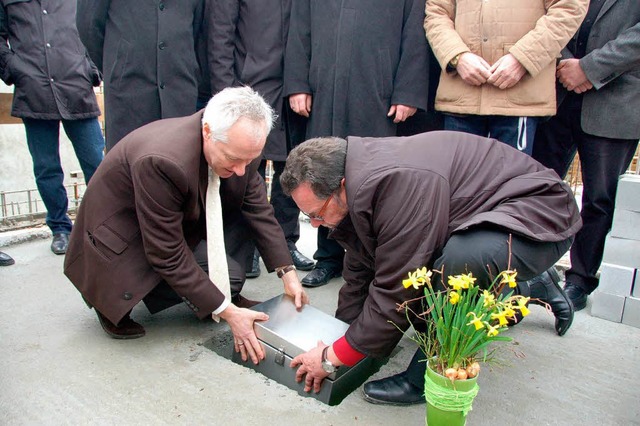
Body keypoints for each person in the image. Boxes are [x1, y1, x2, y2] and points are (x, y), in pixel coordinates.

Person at [280, 132, 580, 403]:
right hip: (488, 216)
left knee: (460, 264)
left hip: (539, 216)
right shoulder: (359, 181)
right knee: (447, 259)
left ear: (341, 186)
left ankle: (428, 373)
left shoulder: (396, 184)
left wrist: (333, 358)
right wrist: (343, 335)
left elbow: (397, 289)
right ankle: (530, 285)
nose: (316, 224)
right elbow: (361, 268)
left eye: (316, 214)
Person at [63, 87, 308, 364]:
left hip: (169, 221)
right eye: (234, 159)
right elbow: (166, 252)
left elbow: (259, 212)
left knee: (229, 280)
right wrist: (227, 313)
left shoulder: (239, 147)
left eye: (249, 160)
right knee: (191, 287)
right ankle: (106, 301)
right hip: (119, 241)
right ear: (207, 132)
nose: (242, 170)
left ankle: (218, 298)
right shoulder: (162, 161)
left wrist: (287, 274)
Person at [284, 0, 430, 287]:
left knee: (373, 178)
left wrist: (408, 92)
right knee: (322, 175)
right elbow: (299, 28)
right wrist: (298, 83)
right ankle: (328, 258)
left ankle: (376, 260)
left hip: (378, 89)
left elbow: (415, 33)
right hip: (324, 85)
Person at [533, 1, 640, 311]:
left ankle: (579, 279)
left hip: (615, 98)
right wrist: (566, 63)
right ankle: (531, 271)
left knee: (599, 200)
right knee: (537, 188)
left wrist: (589, 68)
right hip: (557, 91)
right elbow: (544, 15)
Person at [208, 0, 314, 278]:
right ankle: (244, 246)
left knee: (290, 169)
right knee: (242, 172)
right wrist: (225, 92)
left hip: (294, 88)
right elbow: (220, 35)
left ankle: (285, 243)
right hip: (248, 85)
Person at [0, 0, 105, 255]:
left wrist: (91, 68)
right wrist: (15, 69)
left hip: (76, 85)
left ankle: (108, 223)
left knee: (98, 162)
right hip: (33, 89)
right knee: (46, 167)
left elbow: (95, 27)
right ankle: (60, 228)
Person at [424, 0, 588, 155]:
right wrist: (457, 56)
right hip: (462, 97)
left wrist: (522, 59)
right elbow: (437, 12)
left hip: (519, 98)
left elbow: (569, 9)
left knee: (511, 182)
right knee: (457, 182)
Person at [76, 0, 207, 151]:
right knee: (129, 165)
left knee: (178, 164)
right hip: (129, 92)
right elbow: (88, 26)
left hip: (179, 91)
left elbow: (198, 28)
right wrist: (118, 65)